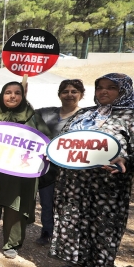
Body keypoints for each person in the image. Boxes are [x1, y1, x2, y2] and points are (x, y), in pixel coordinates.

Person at [51, 73, 134, 267]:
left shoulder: (132, 116)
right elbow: (63, 140)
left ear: (124, 91)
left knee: (103, 226)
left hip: (107, 187)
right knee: (76, 221)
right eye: (100, 87)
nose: (103, 91)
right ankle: (80, 261)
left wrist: (126, 161)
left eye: (111, 87)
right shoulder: (85, 113)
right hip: (74, 184)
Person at [0, 82, 50, 259]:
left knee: (17, 206)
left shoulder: (33, 118)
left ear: (23, 96)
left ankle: (12, 243)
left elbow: (47, 141)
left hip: (21, 173)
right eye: (8, 92)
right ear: (2, 95)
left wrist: (47, 151)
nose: (12, 96)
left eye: (17, 93)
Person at [33, 79, 84, 246]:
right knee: (47, 202)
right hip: (47, 169)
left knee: (69, 205)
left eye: (74, 91)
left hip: (72, 171)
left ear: (81, 94)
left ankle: (65, 237)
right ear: (59, 94)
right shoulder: (46, 113)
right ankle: (47, 232)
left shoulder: (87, 117)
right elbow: (27, 114)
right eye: (65, 91)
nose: (69, 95)